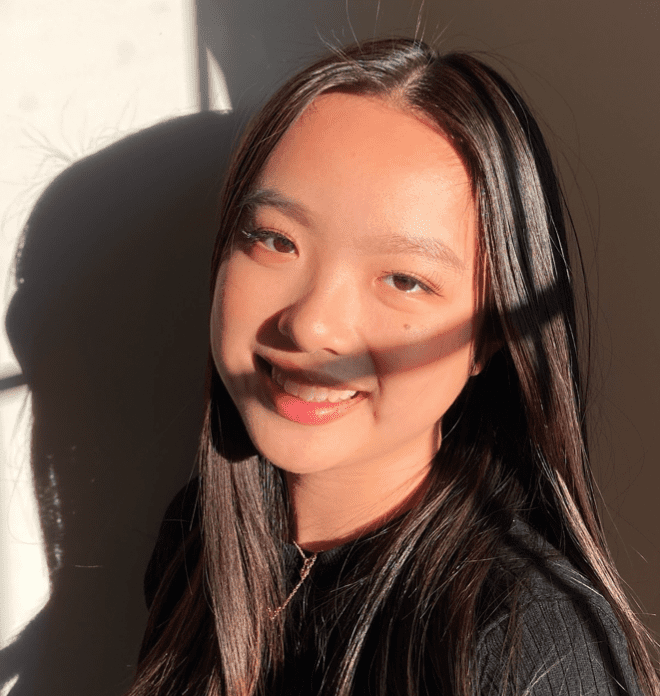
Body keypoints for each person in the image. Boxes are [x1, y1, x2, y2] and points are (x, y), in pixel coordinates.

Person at [126, 38, 659, 695]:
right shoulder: (198, 542)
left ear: (489, 336)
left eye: (404, 279)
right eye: (275, 240)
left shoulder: (528, 642)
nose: (312, 323)